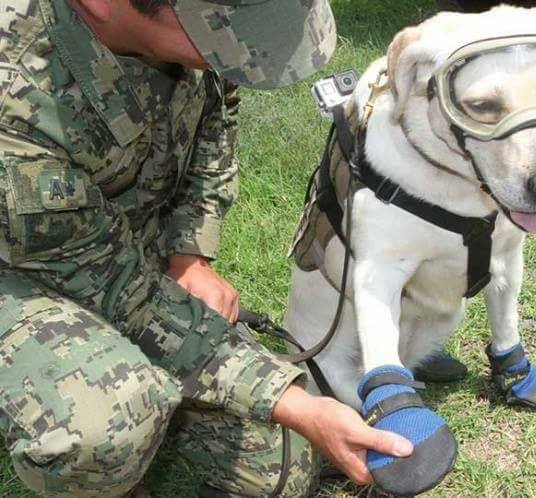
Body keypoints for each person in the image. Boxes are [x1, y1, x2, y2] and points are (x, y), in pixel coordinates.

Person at [0, 1, 415, 497]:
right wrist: (291, 400)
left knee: (280, 471)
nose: (230, 54)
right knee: (106, 428)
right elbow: (107, 283)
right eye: (216, 34)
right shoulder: (14, 93)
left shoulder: (194, 35)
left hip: (117, 251)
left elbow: (216, 118)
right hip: (24, 273)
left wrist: (189, 254)